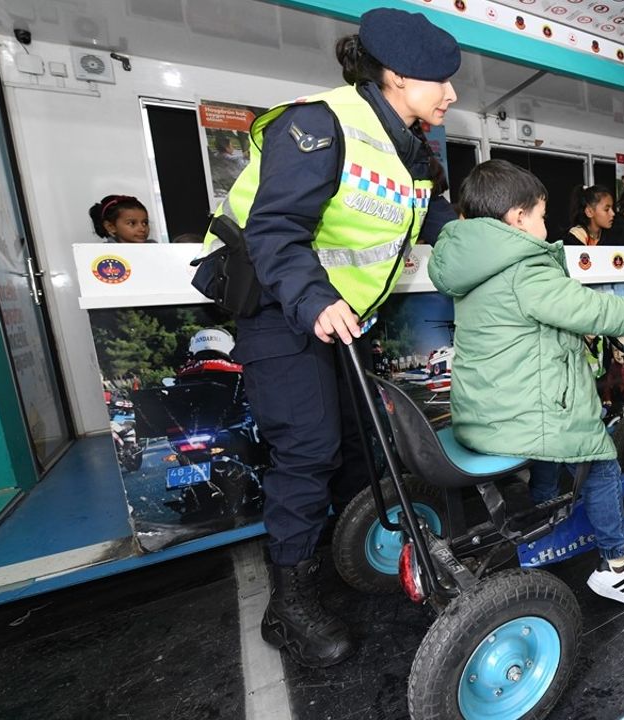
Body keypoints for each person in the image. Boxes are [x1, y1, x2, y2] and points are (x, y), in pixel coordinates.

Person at [189, 7, 460, 668]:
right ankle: (290, 605)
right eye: (440, 81)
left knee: (352, 438)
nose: (452, 94)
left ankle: (336, 559)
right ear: (396, 76)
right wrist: (314, 299)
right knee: (306, 448)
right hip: (280, 307)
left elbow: (441, 224)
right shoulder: (318, 122)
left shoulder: (413, 149)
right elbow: (276, 228)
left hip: (342, 317)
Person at [429, 159, 624, 606]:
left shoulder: (473, 266)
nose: (548, 223)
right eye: (543, 215)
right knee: (599, 458)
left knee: (553, 440)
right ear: (517, 218)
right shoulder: (523, 268)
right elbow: (596, 310)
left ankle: (537, 527)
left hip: (486, 412)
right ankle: (616, 570)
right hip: (519, 416)